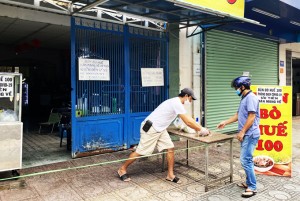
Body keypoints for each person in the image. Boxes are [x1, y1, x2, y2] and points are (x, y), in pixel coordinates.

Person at [118, 88, 210, 183]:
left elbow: (188, 119)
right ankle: (122, 169)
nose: (190, 102)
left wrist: (199, 128)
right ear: (186, 96)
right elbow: (187, 121)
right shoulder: (176, 102)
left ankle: (170, 175)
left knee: (170, 148)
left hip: (160, 129)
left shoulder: (176, 103)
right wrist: (201, 129)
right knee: (141, 151)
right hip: (151, 127)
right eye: (190, 99)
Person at [217, 76, 260, 198]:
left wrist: (242, 132)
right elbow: (238, 115)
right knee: (247, 159)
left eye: (236, 87)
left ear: (242, 87)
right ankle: (248, 183)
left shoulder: (251, 98)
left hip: (250, 134)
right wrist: (225, 122)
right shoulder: (244, 98)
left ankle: (252, 187)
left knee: (245, 160)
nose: (235, 89)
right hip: (247, 133)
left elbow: (251, 117)